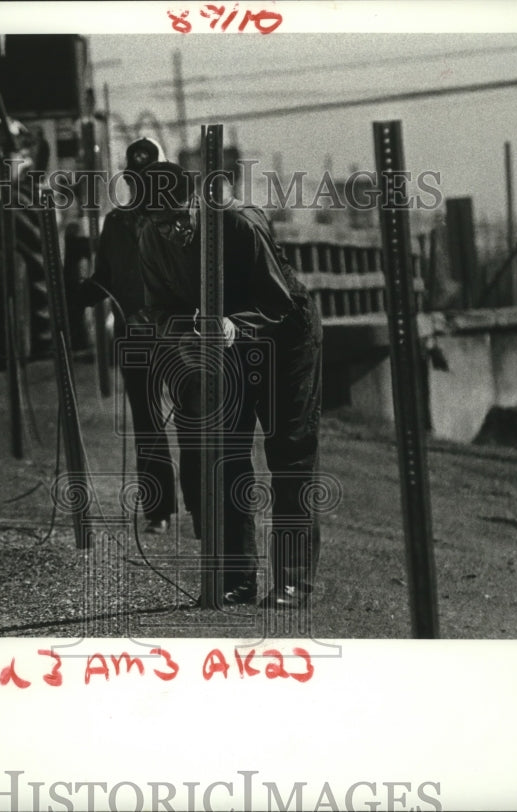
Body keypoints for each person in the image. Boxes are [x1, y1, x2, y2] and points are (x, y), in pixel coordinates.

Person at [136, 161, 323, 609]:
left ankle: (293, 580)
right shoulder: (150, 241)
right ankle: (238, 577)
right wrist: (182, 334)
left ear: (197, 201)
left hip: (284, 337)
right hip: (222, 348)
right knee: (225, 452)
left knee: (289, 453)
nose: (175, 230)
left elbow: (278, 299)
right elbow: (159, 309)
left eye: (181, 217)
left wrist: (236, 324)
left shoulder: (238, 222)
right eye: (162, 223)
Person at [77, 138, 194, 534]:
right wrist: (74, 297)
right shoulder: (116, 223)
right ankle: (158, 509)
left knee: (192, 420)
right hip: (135, 334)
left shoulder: (183, 220)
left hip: (179, 335)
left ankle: (200, 506)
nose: (141, 184)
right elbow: (105, 279)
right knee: (147, 424)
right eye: (135, 178)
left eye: (149, 177)